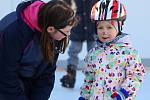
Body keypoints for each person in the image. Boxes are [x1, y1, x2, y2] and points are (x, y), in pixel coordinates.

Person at [0, 0, 77, 100]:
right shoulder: (14, 32)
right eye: (66, 32)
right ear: (50, 29)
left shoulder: (54, 33)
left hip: (27, 80)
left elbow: (46, 75)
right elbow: (6, 76)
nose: (68, 35)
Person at [78, 0, 145, 100]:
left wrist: (124, 92)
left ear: (119, 26)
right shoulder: (93, 54)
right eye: (100, 28)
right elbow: (89, 79)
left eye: (109, 27)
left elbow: (136, 75)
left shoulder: (129, 53)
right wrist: (84, 96)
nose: (104, 32)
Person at [60, 0, 97, 88]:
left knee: (94, 54)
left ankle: (94, 77)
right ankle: (70, 75)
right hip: (77, 29)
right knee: (73, 51)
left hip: (92, 29)